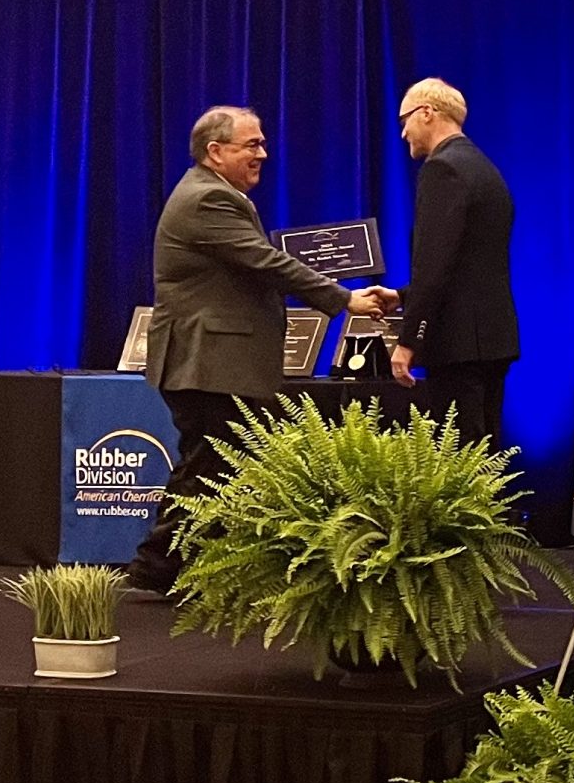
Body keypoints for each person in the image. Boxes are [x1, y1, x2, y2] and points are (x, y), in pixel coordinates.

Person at [129, 106, 394, 594]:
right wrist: (345, 299)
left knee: (213, 465)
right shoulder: (208, 198)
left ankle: (173, 567)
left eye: (262, 143)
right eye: (251, 144)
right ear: (215, 152)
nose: (263, 154)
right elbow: (266, 262)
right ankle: (159, 566)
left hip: (212, 361)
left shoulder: (213, 193)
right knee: (209, 465)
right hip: (207, 361)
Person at [390, 78, 518, 445]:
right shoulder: (483, 167)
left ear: (427, 113)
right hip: (491, 341)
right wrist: (401, 296)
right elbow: (469, 263)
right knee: (484, 456)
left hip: (457, 346)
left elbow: (433, 266)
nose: (403, 133)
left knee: (457, 459)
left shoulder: (442, 169)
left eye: (405, 120)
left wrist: (408, 341)